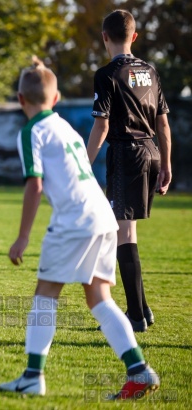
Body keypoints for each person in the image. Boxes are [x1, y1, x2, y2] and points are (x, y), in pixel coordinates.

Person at [0, 59, 159, 399]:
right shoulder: (65, 126)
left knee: (45, 292)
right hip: (103, 216)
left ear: (20, 99)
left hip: (74, 221)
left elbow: (34, 186)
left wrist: (23, 236)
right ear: (56, 100)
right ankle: (139, 370)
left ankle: (31, 376)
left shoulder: (31, 132)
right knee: (98, 296)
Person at [86, 9, 172, 332]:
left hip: (126, 154)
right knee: (124, 230)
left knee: (124, 233)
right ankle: (144, 309)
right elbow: (163, 123)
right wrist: (166, 164)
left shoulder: (106, 74)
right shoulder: (150, 71)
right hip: (150, 151)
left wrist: (83, 164)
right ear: (134, 36)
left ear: (104, 37)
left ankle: (134, 316)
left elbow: (102, 126)